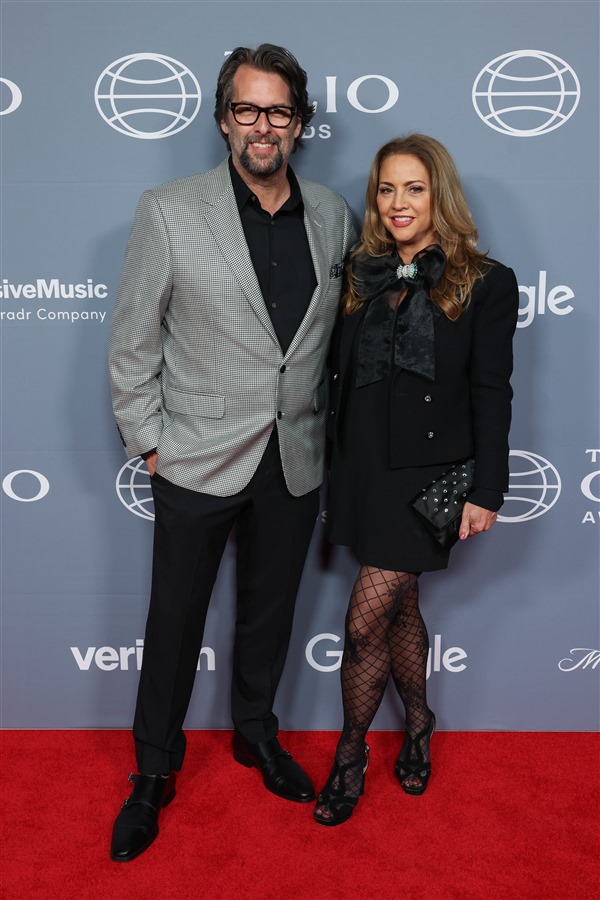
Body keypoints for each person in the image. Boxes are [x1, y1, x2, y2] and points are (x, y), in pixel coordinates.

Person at [108, 43, 356, 861]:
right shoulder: (170, 209)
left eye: (278, 111)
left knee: (269, 613)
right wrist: (151, 443)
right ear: (223, 120)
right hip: (196, 456)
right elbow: (133, 340)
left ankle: (255, 734)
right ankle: (153, 772)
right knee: (174, 621)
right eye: (247, 109)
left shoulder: (332, 214)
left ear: (300, 123)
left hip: (294, 456)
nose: (263, 126)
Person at [314, 134, 518, 826]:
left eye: (415, 188)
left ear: (440, 196)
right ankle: (421, 725)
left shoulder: (486, 281)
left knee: (364, 622)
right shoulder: (357, 274)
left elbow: (492, 391)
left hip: (433, 479)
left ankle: (349, 756)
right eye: (386, 189)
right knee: (400, 612)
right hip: (362, 470)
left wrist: (488, 489)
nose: (398, 203)